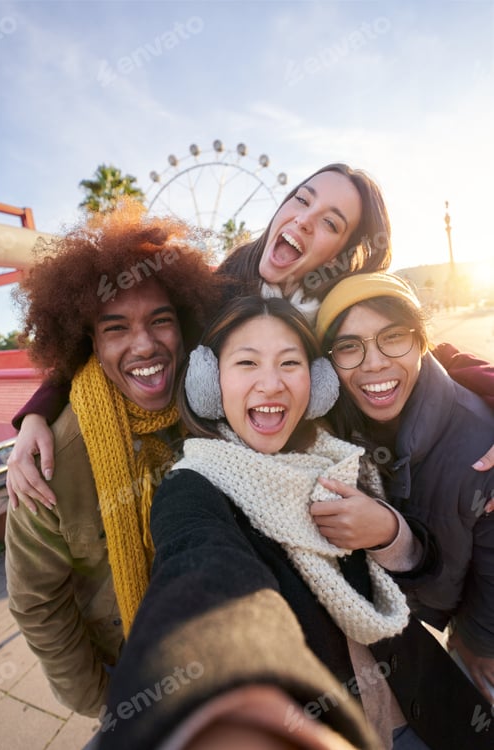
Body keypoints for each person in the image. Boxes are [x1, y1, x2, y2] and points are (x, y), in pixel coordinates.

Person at [97, 295, 492, 750]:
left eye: (290, 363)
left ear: (317, 382)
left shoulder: (340, 454)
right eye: (247, 363)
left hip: (424, 711)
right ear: (210, 381)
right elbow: (199, 566)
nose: (271, 384)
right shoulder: (192, 490)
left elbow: (424, 565)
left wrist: (388, 531)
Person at [6, 163, 494, 509]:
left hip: (320, 491)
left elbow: (424, 348)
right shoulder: (215, 288)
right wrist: (37, 413)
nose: (305, 218)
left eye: (330, 222)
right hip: (214, 484)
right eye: (302, 199)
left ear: (342, 252)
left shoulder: (339, 308)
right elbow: (121, 336)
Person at [4, 202, 222, 716]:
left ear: (184, 324)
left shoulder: (213, 408)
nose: (144, 346)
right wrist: (103, 702)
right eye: (116, 328)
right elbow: (37, 602)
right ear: (90, 345)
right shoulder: (53, 457)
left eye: (160, 321)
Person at [314, 272, 494, 704]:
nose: (373, 362)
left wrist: (479, 642)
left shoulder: (481, 443)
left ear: (422, 341)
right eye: (349, 346)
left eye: (393, 337)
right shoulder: (328, 432)